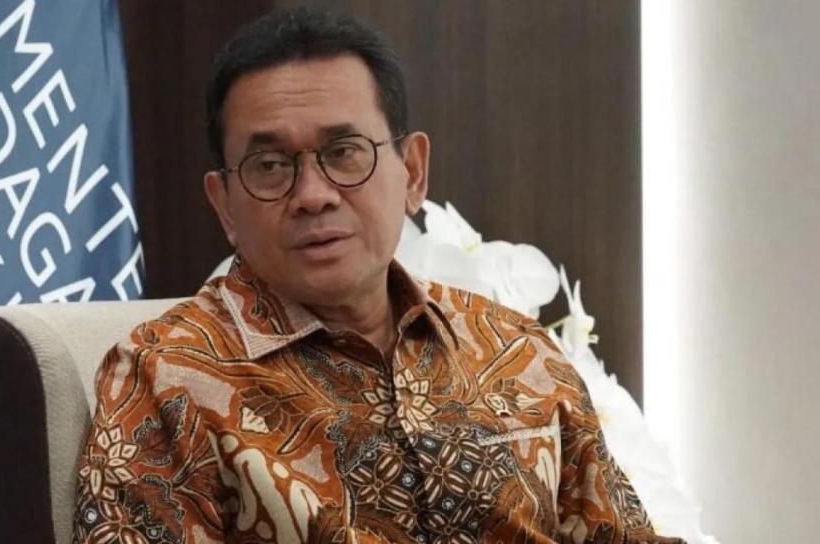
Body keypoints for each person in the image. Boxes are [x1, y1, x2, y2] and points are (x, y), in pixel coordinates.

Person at [73, 8, 683, 544]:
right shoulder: (165, 379)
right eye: (270, 165)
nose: (313, 195)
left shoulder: (518, 349)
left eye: (344, 153)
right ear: (225, 205)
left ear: (412, 172)